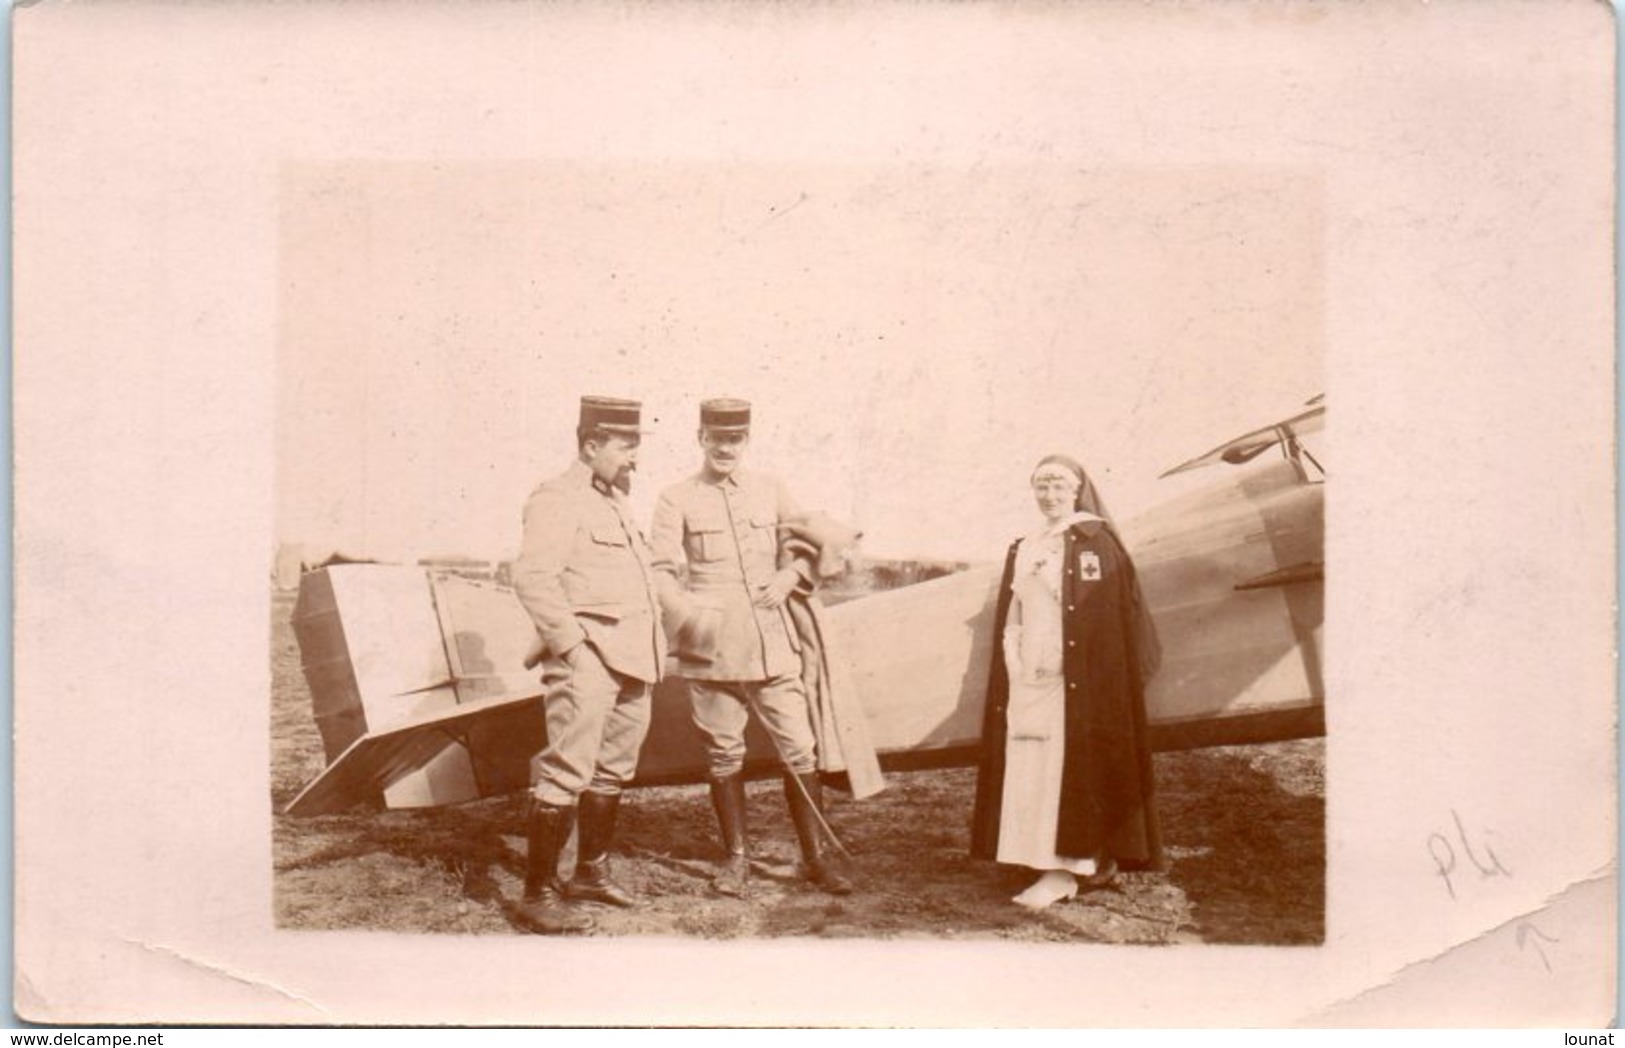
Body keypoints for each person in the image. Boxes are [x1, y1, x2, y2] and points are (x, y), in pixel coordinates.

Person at [650, 398, 856, 897]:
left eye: (735, 439)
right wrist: (692, 617)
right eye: (716, 438)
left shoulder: (771, 489)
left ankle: (816, 858)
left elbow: (816, 539)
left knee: (800, 750)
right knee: (723, 755)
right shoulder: (675, 498)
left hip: (773, 645)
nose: (725, 448)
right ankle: (736, 859)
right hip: (712, 651)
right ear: (700, 438)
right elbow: (658, 570)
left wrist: (791, 575)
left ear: (746, 442)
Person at [969, 453, 1164, 910]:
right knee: (1030, 766)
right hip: (1029, 672)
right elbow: (1016, 607)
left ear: (1077, 490)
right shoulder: (1027, 545)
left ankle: (1065, 870)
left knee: (1063, 768)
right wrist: (1015, 658)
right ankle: (1037, 858)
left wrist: (1065, 661)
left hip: (1072, 682)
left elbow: (1103, 621)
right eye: (1042, 486)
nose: (1050, 496)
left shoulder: (1094, 542)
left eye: (1059, 487)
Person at [509, 395, 665, 934]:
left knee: (614, 770)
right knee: (567, 771)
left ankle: (589, 873)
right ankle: (537, 892)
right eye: (626, 447)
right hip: (590, 659)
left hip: (634, 661)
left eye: (637, 447)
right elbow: (533, 578)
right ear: (592, 444)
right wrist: (574, 649)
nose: (634, 460)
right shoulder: (556, 499)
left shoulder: (616, 502)